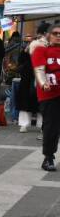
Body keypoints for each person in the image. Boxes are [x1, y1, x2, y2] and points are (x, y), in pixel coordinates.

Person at [32, 23, 60, 172]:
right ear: (48, 35)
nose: (58, 35)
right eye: (55, 33)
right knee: (52, 127)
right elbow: (39, 69)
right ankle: (48, 157)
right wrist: (43, 83)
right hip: (50, 94)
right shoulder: (41, 49)